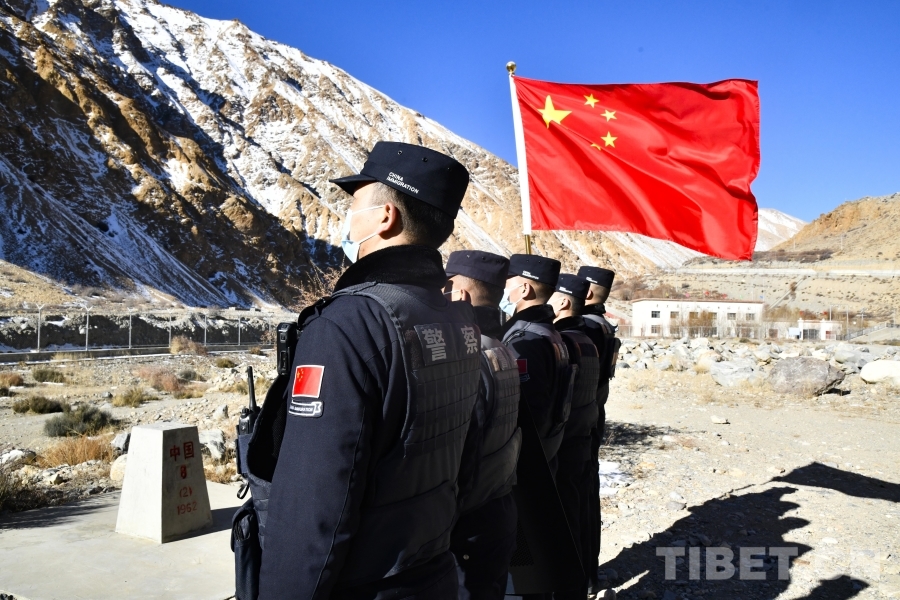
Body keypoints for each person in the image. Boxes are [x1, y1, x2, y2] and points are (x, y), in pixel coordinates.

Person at [255, 142, 482, 600]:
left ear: (385, 217)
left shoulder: (348, 324)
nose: (347, 220)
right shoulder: (456, 320)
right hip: (432, 569)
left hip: (365, 584)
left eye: (354, 205)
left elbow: (313, 503)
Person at [444, 250, 522, 600]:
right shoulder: (504, 349)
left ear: (459, 294)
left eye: (446, 288)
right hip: (497, 505)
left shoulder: (467, 356)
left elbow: (463, 449)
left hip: (469, 521)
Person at [547, 274, 601, 600]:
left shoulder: (563, 342)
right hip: (581, 441)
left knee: (564, 526)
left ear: (564, 301)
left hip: (564, 448)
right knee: (578, 518)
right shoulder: (586, 339)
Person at [499, 254, 571, 474]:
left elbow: (527, 410)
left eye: (508, 282)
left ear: (524, 289)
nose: (503, 289)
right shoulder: (549, 331)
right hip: (550, 444)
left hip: (527, 458)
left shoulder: (525, 338)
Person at [575, 266, 619, 598]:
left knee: (579, 499)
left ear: (587, 293)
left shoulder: (587, 326)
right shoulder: (601, 323)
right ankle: (587, 574)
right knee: (586, 496)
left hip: (582, 421)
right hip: (593, 415)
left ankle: (581, 576)